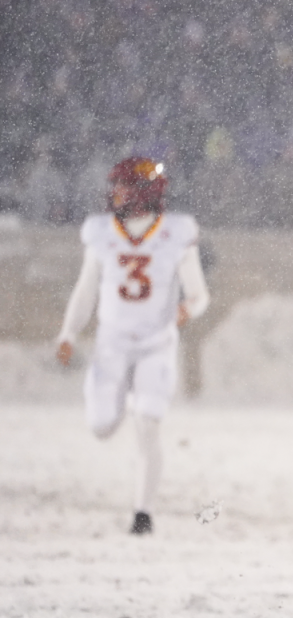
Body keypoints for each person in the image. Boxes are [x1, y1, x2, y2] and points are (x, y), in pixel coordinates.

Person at [56, 157, 211, 535]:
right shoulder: (101, 232)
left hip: (157, 344)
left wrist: (185, 310)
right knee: (101, 427)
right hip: (112, 345)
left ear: (142, 192)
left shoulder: (176, 232)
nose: (115, 194)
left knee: (148, 424)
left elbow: (200, 295)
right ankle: (125, 397)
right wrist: (68, 333)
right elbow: (86, 288)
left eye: (123, 187)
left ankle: (143, 512)